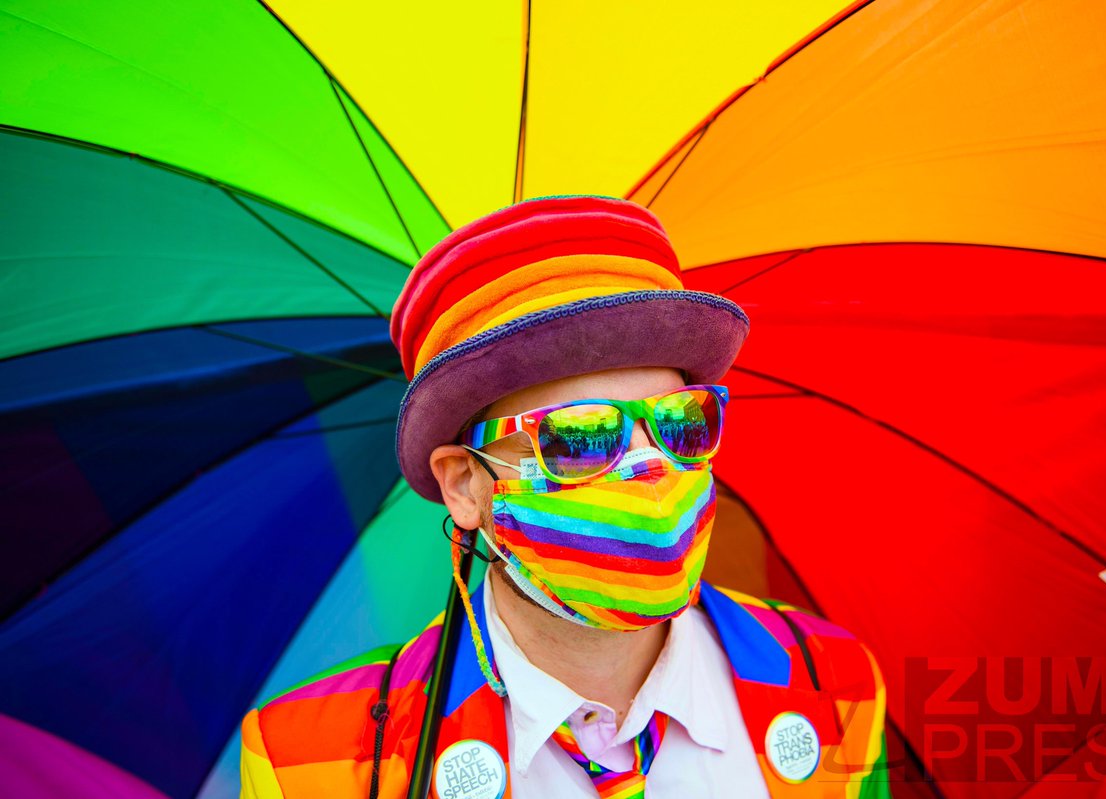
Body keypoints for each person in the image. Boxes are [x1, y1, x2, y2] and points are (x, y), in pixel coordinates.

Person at [239, 195, 890, 798]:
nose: (650, 468)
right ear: (465, 484)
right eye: (579, 437)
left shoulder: (835, 680)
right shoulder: (308, 759)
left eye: (682, 421)